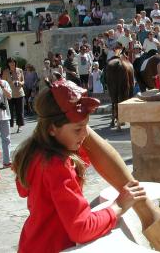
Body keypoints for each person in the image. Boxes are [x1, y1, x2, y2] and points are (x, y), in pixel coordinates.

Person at [12, 79, 147, 252]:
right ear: (52, 129)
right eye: (78, 129)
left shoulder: (33, 154)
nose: (85, 134)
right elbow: (81, 229)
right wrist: (118, 205)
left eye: (86, 127)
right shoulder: (57, 165)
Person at [2, 58, 25, 133]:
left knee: (20, 111)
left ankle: (20, 126)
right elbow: (3, 83)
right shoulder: (5, 72)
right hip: (10, 94)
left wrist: (20, 83)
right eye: (10, 63)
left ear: (15, 63)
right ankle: (10, 126)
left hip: (19, 93)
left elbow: (23, 81)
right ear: (8, 64)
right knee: (10, 111)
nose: (12, 64)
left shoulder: (20, 70)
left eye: (13, 62)